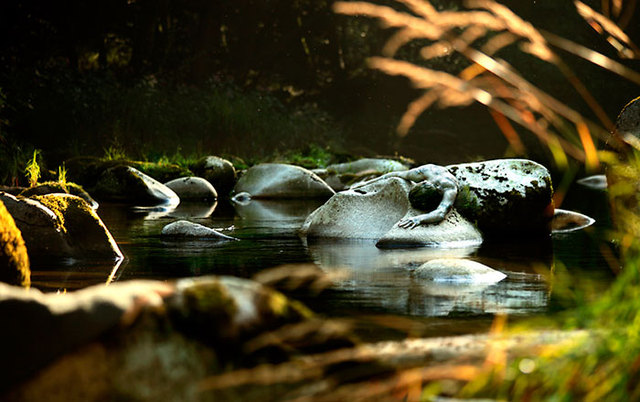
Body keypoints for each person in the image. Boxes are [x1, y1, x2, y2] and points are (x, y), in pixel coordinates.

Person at [352, 164, 458, 229]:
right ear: (422, 182)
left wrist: (419, 219)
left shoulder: (450, 188)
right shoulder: (425, 171)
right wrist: (364, 184)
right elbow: (395, 174)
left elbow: (440, 213)